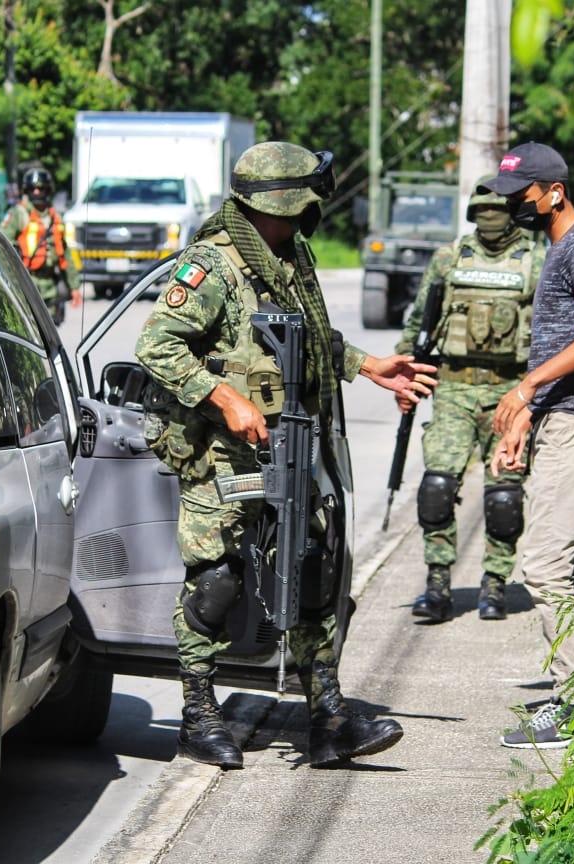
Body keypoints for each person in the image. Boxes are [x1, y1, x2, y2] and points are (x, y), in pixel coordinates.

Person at [135, 141, 436, 769]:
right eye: (300, 206)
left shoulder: (288, 256)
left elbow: (307, 338)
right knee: (218, 583)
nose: (306, 218)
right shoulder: (211, 267)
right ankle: (198, 714)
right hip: (223, 454)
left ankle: (328, 719)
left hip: (293, 444)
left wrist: (367, 364)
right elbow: (157, 345)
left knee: (308, 568)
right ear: (278, 204)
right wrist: (224, 398)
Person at [483, 142, 574, 749]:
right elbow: (558, 347)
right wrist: (524, 419)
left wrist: (527, 387)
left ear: (554, 193)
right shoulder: (559, 247)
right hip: (562, 421)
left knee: (542, 567)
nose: (513, 205)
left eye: (522, 196)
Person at [395, 177, 545, 624]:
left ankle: (495, 584)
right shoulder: (449, 257)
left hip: (509, 390)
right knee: (437, 488)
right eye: (481, 212)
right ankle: (438, 585)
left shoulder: (538, 260)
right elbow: (421, 318)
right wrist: (405, 376)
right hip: (454, 386)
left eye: (496, 211)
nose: (489, 219)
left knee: (504, 497)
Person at [0, 166, 81, 325]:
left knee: (50, 333)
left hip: (50, 286)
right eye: (33, 189)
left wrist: (75, 286)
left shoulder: (55, 217)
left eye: (41, 188)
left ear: (48, 189)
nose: (37, 192)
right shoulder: (19, 213)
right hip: (25, 283)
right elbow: (1, 243)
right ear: (27, 190)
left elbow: (65, 254)